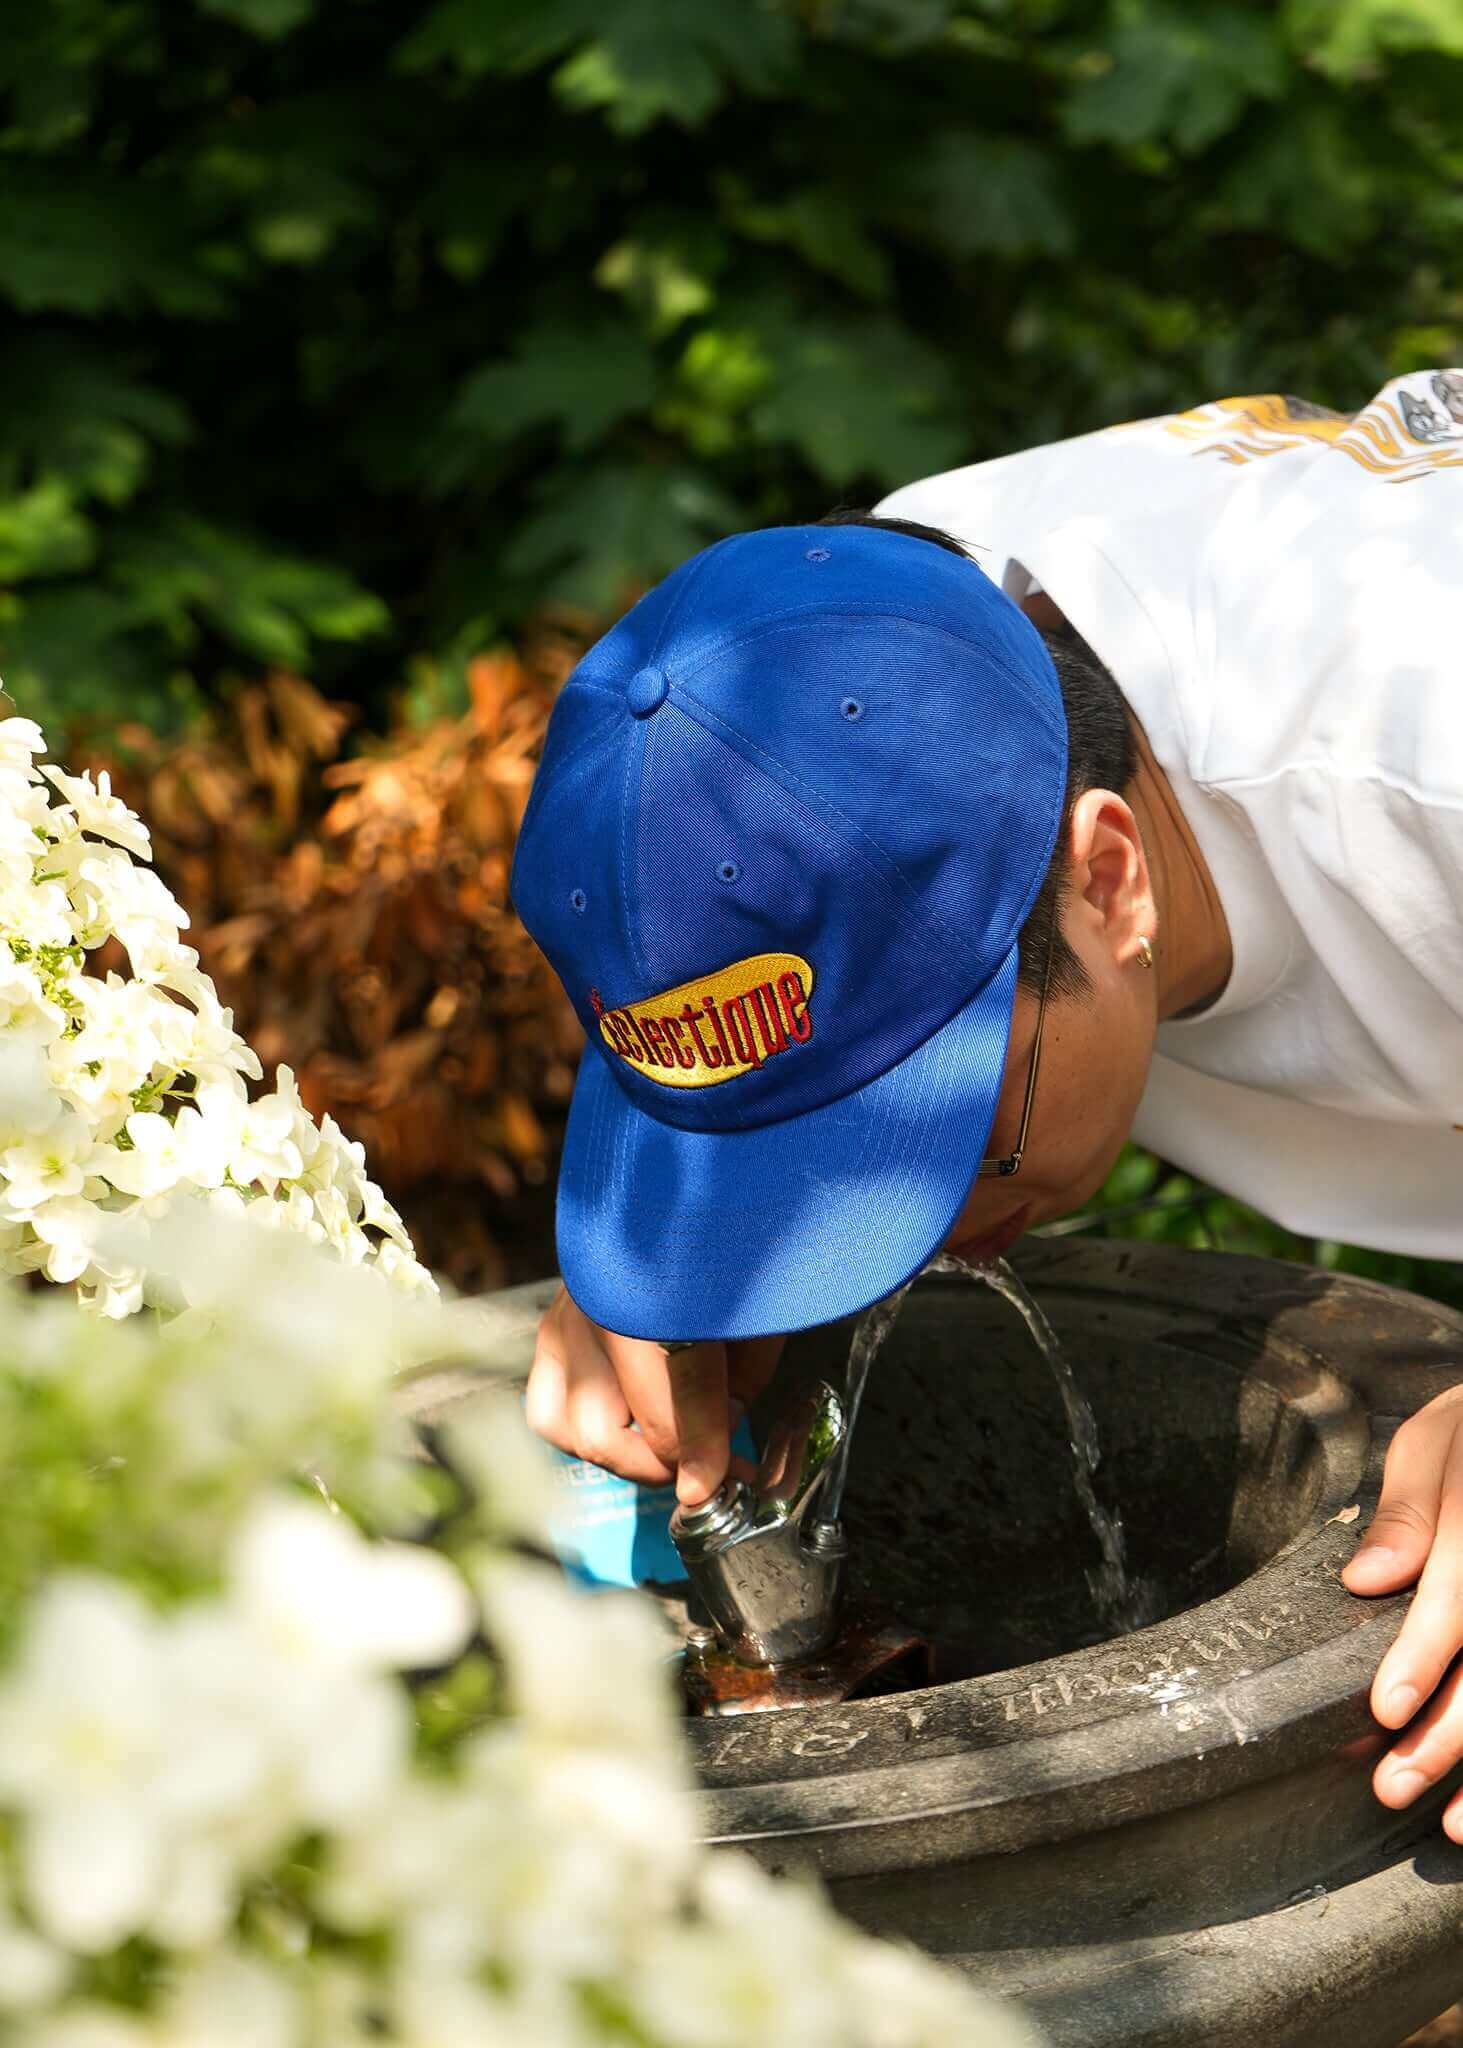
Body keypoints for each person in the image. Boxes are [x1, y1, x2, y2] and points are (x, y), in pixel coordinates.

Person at [508, 371, 1463, 1835]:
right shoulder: (853, 675)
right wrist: (673, 1233)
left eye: (940, 1137)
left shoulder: (1418, 757)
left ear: (1111, 876)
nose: (911, 1246)